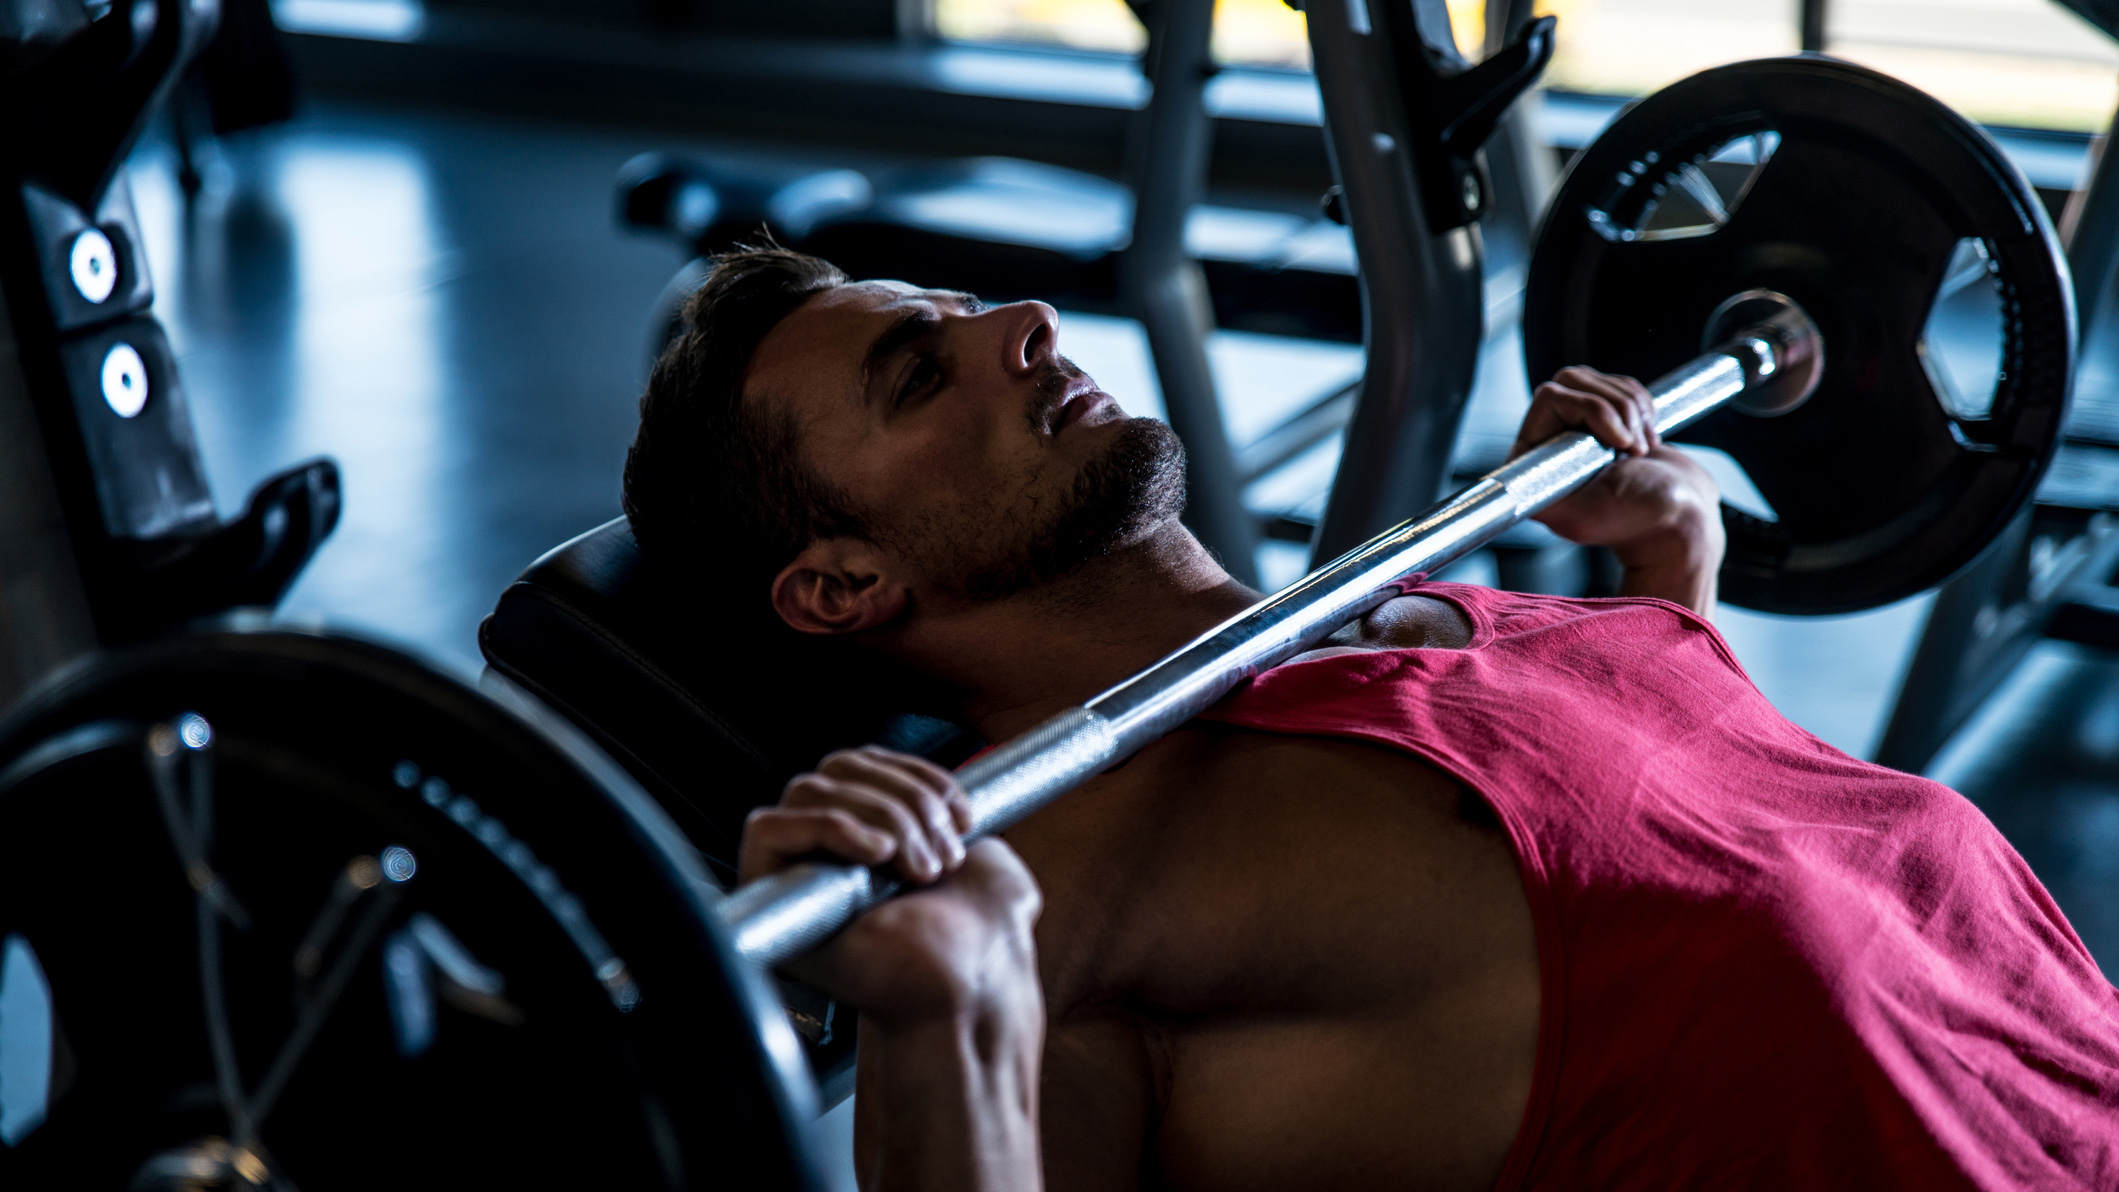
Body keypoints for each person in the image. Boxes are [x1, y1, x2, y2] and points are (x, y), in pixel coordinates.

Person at [626, 247, 2119, 1191]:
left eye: (962, 310)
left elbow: (1689, 933)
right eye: (915, 374)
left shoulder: (1433, 612)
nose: (1025, 318)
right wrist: (947, 1017)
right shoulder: (1046, 899)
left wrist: (1671, 591)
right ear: (839, 582)